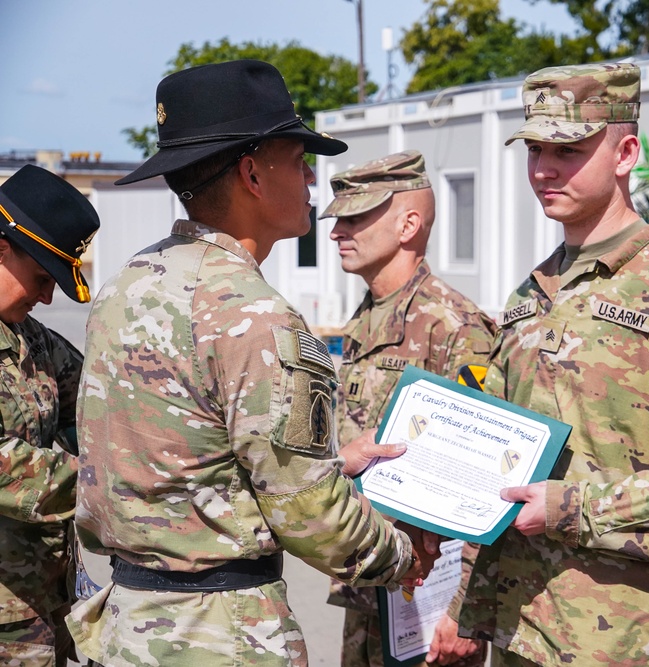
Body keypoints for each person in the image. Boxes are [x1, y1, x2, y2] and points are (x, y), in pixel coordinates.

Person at [66, 60, 432, 667]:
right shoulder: (255, 315)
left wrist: (335, 458)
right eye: (298, 160)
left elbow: (185, 452)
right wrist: (400, 557)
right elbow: (309, 512)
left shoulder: (126, 284)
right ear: (252, 173)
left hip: (130, 624)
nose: (313, 177)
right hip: (221, 633)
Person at [458, 63, 649, 666]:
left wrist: (571, 507)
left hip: (622, 638)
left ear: (625, 153)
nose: (544, 169)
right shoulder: (530, 293)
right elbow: (492, 443)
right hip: (521, 626)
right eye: (536, 149)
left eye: (568, 149)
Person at [322, 149, 495, 667]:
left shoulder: (455, 326)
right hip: (374, 589)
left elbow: (486, 478)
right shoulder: (366, 319)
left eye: (355, 218)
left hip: (431, 607)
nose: (336, 232)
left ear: (408, 224)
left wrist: (466, 607)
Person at [0, 164, 100, 667]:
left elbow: (99, 411)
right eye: (42, 276)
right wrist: (109, 480)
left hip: (45, 609)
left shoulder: (32, 340)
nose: (47, 296)